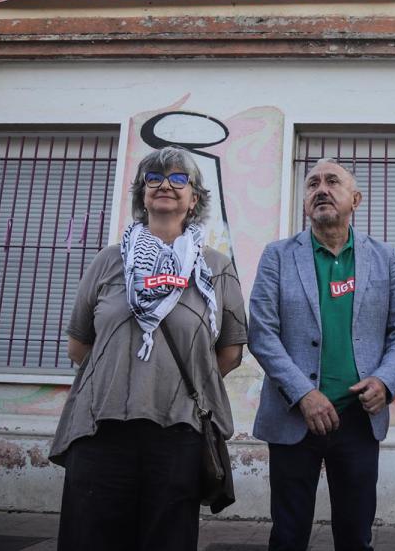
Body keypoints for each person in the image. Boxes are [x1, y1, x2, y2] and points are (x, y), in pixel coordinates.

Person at [50, 147, 247, 551]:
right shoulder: (108, 262)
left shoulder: (215, 267)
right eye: (153, 178)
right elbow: (79, 344)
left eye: (179, 180)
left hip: (178, 431)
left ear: (194, 199)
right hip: (100, 428)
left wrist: (170, 380)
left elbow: (229, 353)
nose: (165, 186)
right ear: (142, 194)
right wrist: (124, 374)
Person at [248, 158, 395, 551]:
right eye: (312, 184)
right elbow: (262, 332)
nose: (320, 189)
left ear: (355, 198)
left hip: (359, 417)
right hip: (294, 417)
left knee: (355, 535)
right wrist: (303, 394)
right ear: (306, 203)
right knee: (288, 535)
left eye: (332, 181)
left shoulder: (385, 257)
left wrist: (385, 381)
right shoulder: (277, 255)